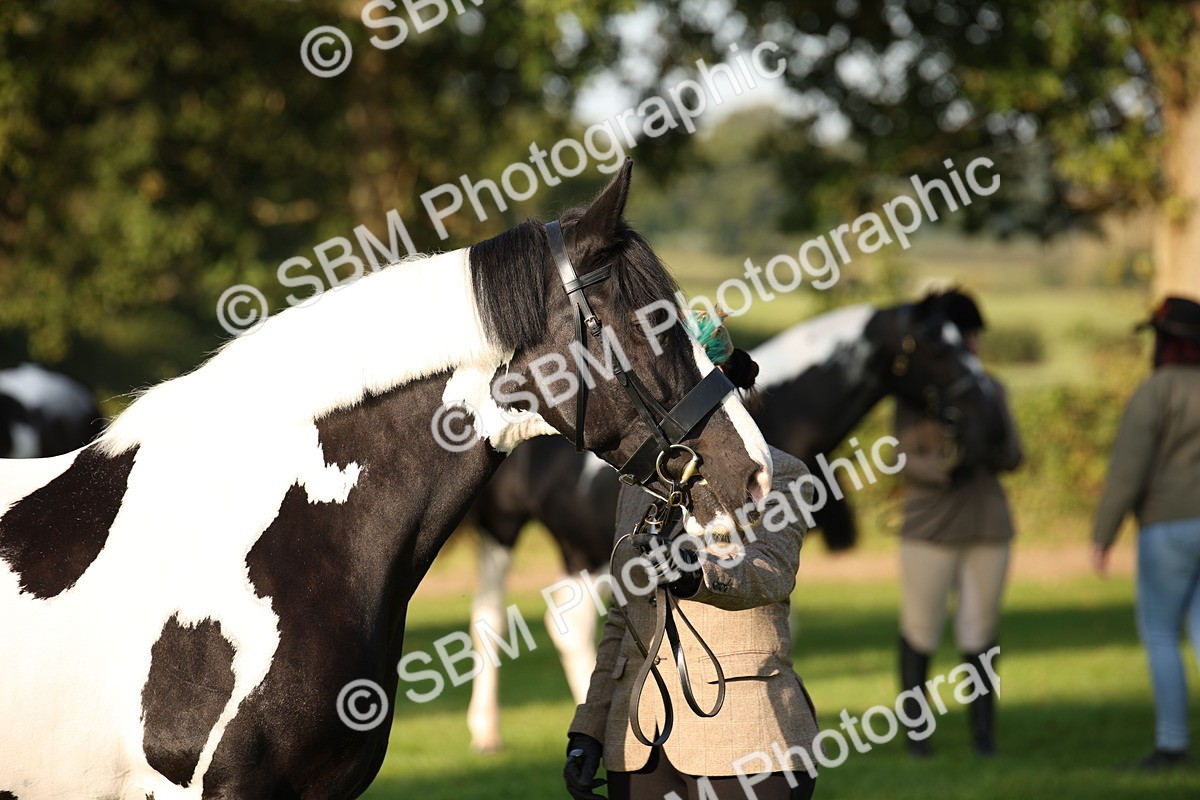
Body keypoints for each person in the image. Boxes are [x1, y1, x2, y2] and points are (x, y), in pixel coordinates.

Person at [562, 340, 820, 800]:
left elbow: (771, 572)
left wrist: (695, 576)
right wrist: (591, 728)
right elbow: (622, 617)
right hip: (638, 739)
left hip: (746, 733)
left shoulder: (779, 474)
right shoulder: (639, 485)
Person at [893, 289, 1022, 758]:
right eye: (966, 334)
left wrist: (988, 446)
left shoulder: (992, 388)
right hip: (930, 526)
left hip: (988, 525)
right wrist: (953, 461)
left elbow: (1015, 454)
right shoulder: (915, 397)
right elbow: (907, 460)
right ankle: (917, 738)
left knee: (980, 632)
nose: (973, 343)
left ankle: (984, 740)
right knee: (920, 629)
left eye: (974, 335)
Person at [1093, 295, 1200, 771]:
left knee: (1161, 634)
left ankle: (1172, 743)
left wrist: (1104, 533)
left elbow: (1127, 471)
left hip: (1167, 528)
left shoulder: (1156, 392)